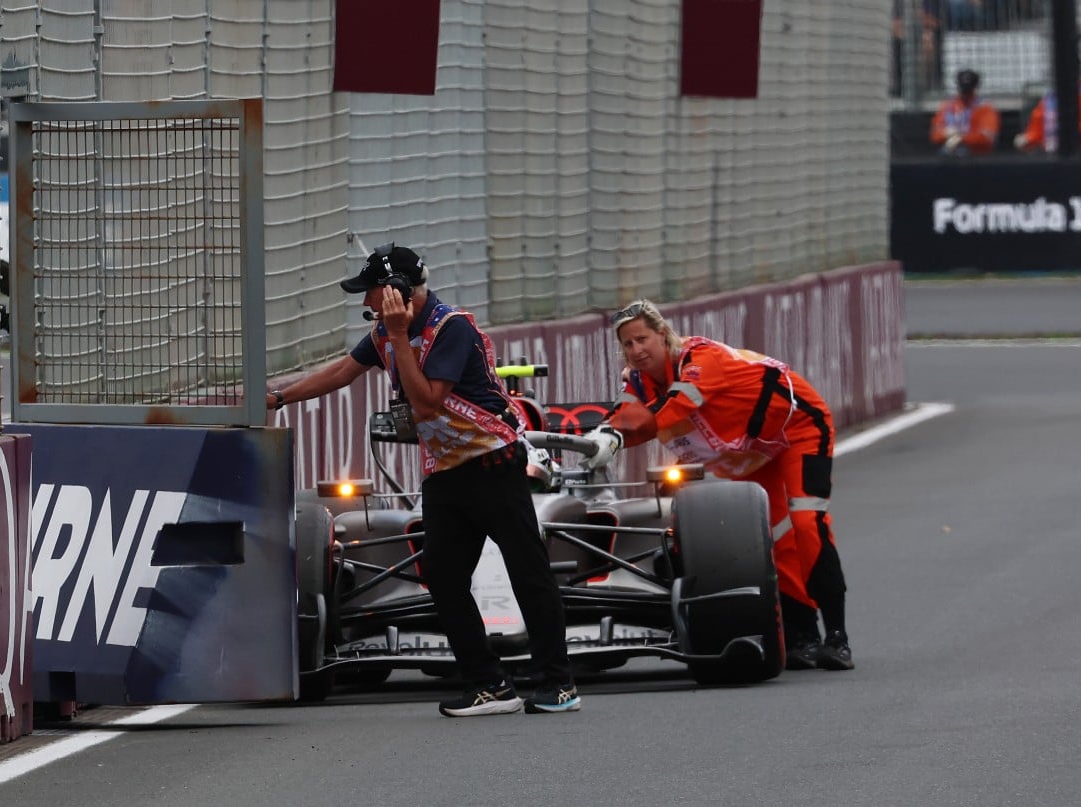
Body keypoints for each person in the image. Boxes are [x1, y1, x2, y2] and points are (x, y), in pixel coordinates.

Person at [267, 245, 579, 715]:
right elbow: (342, 372)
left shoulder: (452, 328)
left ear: (397, 292)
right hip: (446, 473)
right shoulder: (383, 333)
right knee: (441, 574)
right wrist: (280, 397)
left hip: (494, 464)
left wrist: (394, 334)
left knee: (527, 570)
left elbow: (427, 401)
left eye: (371, 292)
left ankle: (558, 684)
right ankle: (489, 683)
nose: (365, 302)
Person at [582, 301, 852, 672]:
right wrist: (598, 438)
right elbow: (623, 416)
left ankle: (837, 636)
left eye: (642, 339)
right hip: (750, 451)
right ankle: (803, 634)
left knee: (806, 524)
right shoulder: (636, 379)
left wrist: (616, 436)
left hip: (798, 429)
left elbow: (675, 408)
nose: (636, 351)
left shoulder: (701, 359)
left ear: (663, 335)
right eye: (627, 344)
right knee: (770, 538)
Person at [1014, 80, 1081, 151]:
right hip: (1053, 154)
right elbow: (1039, 126)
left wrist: (1073, 130)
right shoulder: (1050, 99)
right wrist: (1029, 138)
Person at [931, 67, 1002, 152]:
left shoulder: (985, 108)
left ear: (975, 88)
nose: (965, 94)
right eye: (963, 88)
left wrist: (962, 138)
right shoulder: (947, 107)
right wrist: (946, 133)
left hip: (976, 157)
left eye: (968, 89)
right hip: (950, 154)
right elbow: (935, 135)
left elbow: (988, 138)